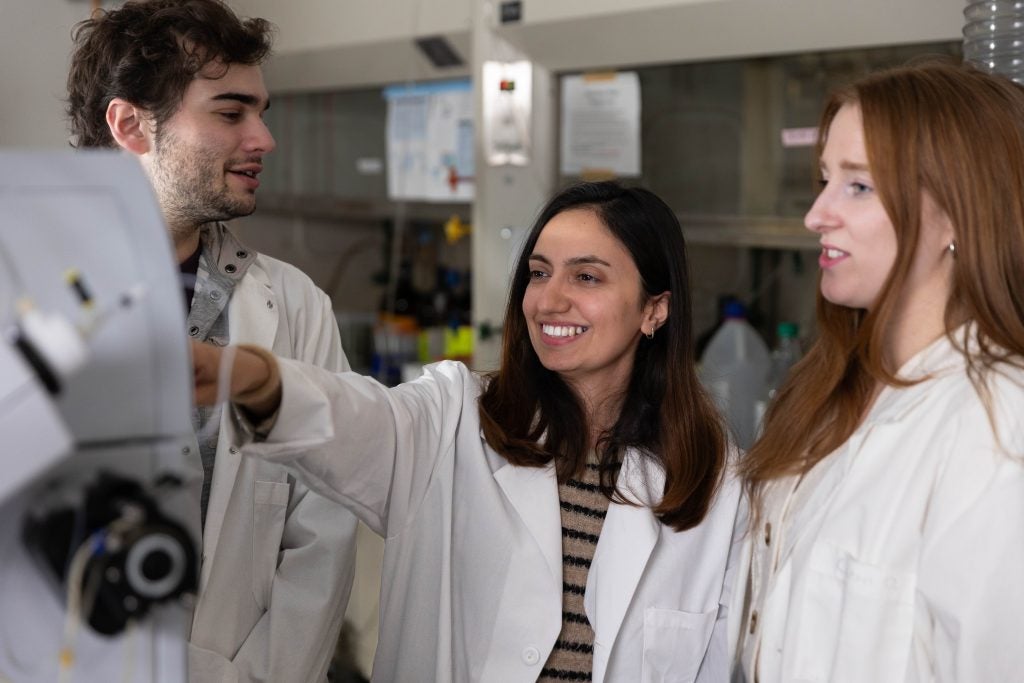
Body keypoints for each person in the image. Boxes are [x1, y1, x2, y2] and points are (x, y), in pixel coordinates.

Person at [193, 181, 745, 682]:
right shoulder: (456, 417)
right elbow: (357, 424)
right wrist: (249, 378)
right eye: (538, 272)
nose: (550, 300)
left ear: (655, 309)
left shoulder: (716, 486)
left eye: (586, 276)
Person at [66, 2, 360, 680]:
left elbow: (325, 530)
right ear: (131, 124)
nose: (263, 139)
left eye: (261, 111)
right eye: (230, 113)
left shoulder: (293, 307)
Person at [735, 60, 1024, 682]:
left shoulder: (1000, 425)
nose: (816, 215)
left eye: (857, 186)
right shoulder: (829, 394)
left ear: (957, 214)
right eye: (822, 180)